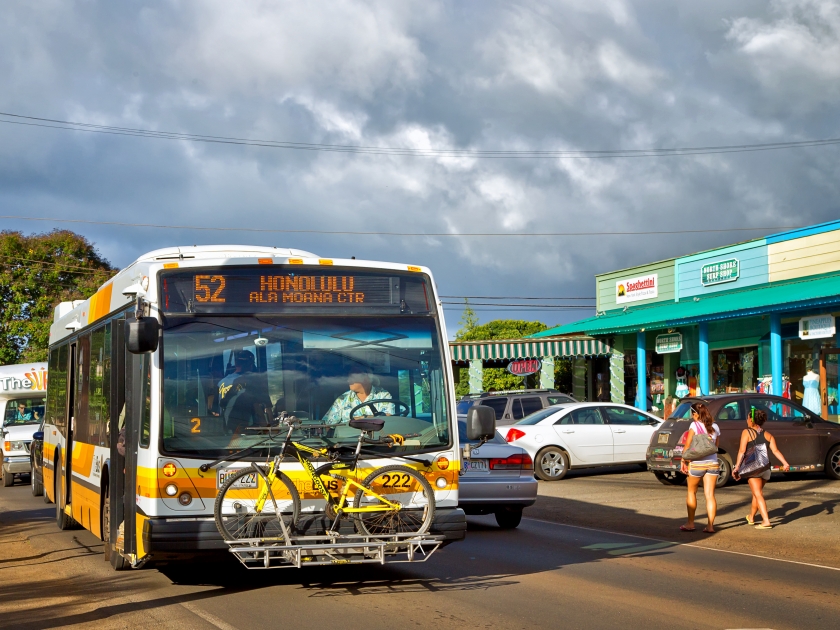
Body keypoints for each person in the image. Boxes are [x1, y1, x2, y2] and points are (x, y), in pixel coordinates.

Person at [733, 408, 790, 530]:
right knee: (756, 493)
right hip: (765, 468)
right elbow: (775, 451)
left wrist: (737, 467)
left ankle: (766, 521)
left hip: (754, 468)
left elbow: (742, 451)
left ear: (751, 420)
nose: (747, 420)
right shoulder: (768, 435)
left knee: (758, 494)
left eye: (748, 418)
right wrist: (785, 463)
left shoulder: (746, 432)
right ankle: (751, 517)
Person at [679, 402, 720, 533]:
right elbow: (715, 447)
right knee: (710, 495)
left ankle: (690, 523)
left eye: (692, 414)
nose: (692, 417)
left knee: (691, 492)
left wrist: (683, 460)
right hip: (713, 463)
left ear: (696, 414)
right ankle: (710, 526)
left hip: (697, 463)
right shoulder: (715, 426)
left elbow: (688, 444)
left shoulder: (694, 425)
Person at [218, 350, 271, 433]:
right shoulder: (253, 382)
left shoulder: (221, 382)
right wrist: (269, 429)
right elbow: (260, 409)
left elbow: (220, 406)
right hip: (248, 430)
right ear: (251, 365)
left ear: (236, 363)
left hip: (226, 430)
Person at [323, 371, 393, 425]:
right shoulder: (342, 399)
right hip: (347, 441)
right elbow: (326, 424)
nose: (348, 380)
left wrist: (362, 418)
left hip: (378, 441)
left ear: (366, 378)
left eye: (352, 378)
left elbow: (389, 418)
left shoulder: (383, 395)